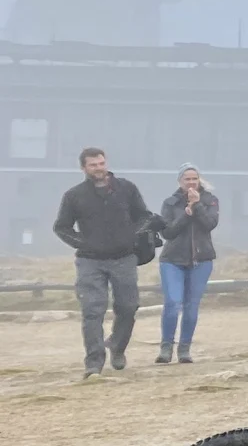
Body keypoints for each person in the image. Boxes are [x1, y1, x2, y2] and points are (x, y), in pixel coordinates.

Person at [53, 147, 160, 378]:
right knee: (92, 311)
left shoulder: (127, 188)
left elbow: (144, 216)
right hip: (90, 261)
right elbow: (61, 227)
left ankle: (117, 347)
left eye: (101, 163)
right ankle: (94, 363)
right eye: (93, 165)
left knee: (128, 307)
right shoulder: (74, 195)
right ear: (83, 168)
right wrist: (83, 243)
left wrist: (132, 236)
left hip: (124, 257)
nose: (99, 168)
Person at [155, 163, 220, 364]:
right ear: (180, 181)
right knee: (173, 302)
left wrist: (197, 206)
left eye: (194, 179)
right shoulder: (170, 203)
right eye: (187, 179)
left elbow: (210, 224)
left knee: (191, 306)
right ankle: (166, 346)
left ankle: (184, 348)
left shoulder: (210, 200)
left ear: (199, 180)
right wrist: (186, 214)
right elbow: (167, 232)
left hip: (201, 260)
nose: (191, 182)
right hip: (173, 260)